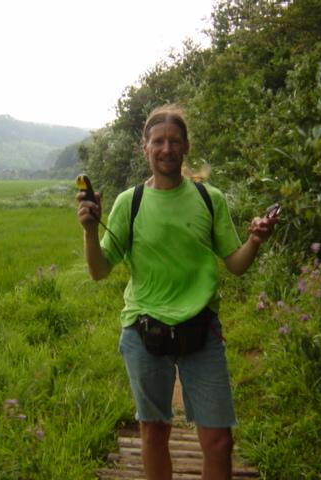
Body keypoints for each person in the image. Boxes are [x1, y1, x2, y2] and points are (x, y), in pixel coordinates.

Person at [76, 104, 277, 480]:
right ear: (145, 148)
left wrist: (254, 240)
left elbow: (236, 264)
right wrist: (89, 231)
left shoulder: (208, 199)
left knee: (219, 442)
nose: (166, 148)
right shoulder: (128, 203)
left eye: (174, 141)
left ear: (185, 147)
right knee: (154, 431)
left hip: (202, 330)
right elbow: (100, 270)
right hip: (143, 331)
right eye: (158, 141)